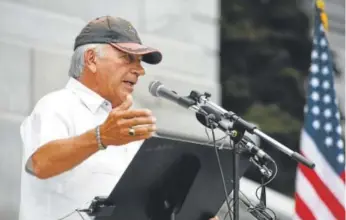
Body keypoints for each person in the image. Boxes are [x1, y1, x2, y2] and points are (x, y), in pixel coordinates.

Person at [19, 15, 218, 220]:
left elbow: (144, 207)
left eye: (140, 62)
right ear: (91, 59)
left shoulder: (126, 125)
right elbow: (39, 164)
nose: (140, 71)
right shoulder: (57, 104)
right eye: (127, 58)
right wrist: (100, 137)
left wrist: (191, 216)